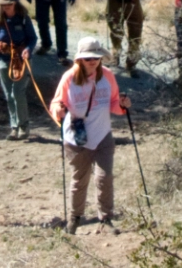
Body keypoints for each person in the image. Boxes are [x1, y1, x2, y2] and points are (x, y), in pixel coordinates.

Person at [50, 35, 127, 233]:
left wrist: (123, 106)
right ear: (79, 59)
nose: (92, 61)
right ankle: (75, 218)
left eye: (96, 57)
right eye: (87, 58)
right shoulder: (69, 77)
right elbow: (56, 103)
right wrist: (58, 109)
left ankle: (106, 219)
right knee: (80, 179)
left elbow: (114, 104)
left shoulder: (108, 75)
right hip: (77, 138)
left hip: (102, 135)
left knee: (105, 177)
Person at [0, 0, 39, 141]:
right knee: (9, 94)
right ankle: (14, 127)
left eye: (8, 4)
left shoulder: (23, 18)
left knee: (18, 92)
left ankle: (24, 126)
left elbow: (32, 38)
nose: (6, 7)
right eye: (3, 5)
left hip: (21, 60)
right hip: (3, 59)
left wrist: (28, 50)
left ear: (15, 3)